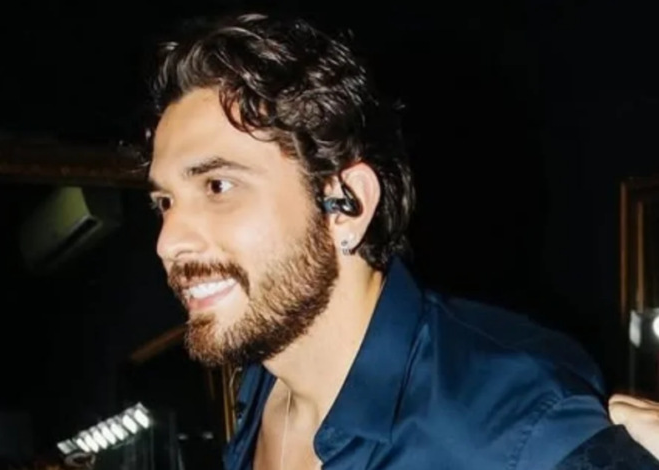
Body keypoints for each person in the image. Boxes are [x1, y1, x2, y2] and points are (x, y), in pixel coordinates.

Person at [141, 12, 658, 469]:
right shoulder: (261, 382)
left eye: (218, 186)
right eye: (165, 202)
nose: (168, 241)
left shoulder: (518, 430)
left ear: (347, 205)